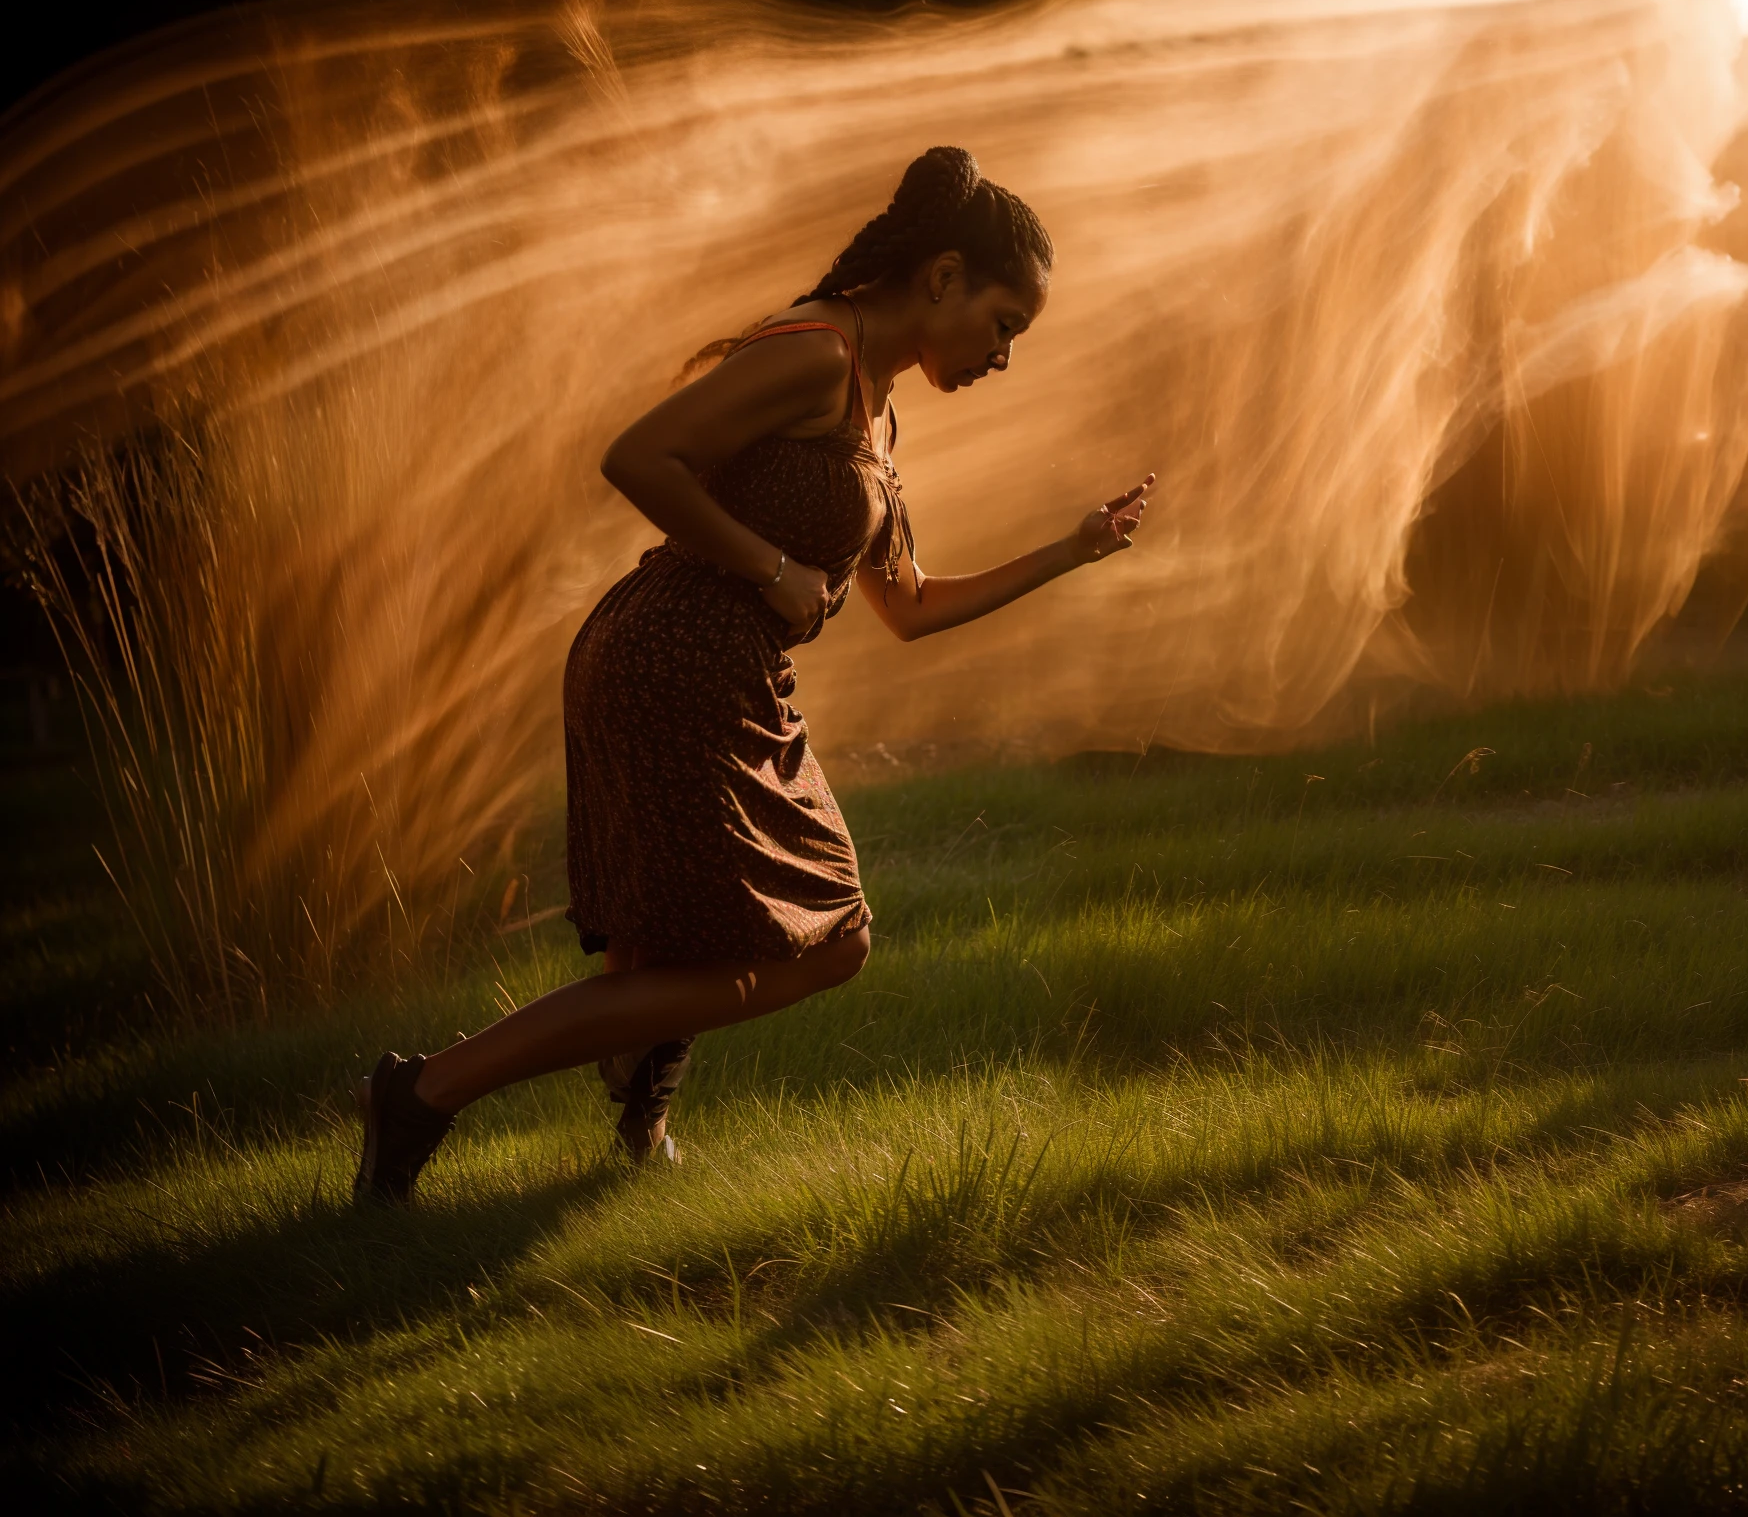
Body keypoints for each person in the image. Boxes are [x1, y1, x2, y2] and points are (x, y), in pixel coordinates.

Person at [355, 145, 1153, 1200]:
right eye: (1005, 323)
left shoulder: (875, 401)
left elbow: (906, 606)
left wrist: (1068, 550)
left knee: (699, 931)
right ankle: (426, 1092)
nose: (1004, 353)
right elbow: (637, 456)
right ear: (945, 276)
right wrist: (771, 565)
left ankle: (636, 1125)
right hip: (669, 659)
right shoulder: (816, 352)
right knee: (829, 937)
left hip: (720, 669)